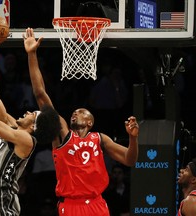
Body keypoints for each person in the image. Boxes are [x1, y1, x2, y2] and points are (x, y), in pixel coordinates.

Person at [23, 27, 139, 216]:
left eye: (81, 112)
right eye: (74, 112)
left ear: (90, 122)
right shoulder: (63, 135)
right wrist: (32, 54)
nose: (75, 114)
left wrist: (133, 139)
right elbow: (40, 95)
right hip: (71, 205)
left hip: (97, 204)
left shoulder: (100, 139)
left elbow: (130, 159)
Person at [0, 30, 61, 216]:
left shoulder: (26, 140)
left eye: (33, 113)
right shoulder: (12, 125)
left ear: (34, 126)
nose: (29, 111)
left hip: (1, 199)